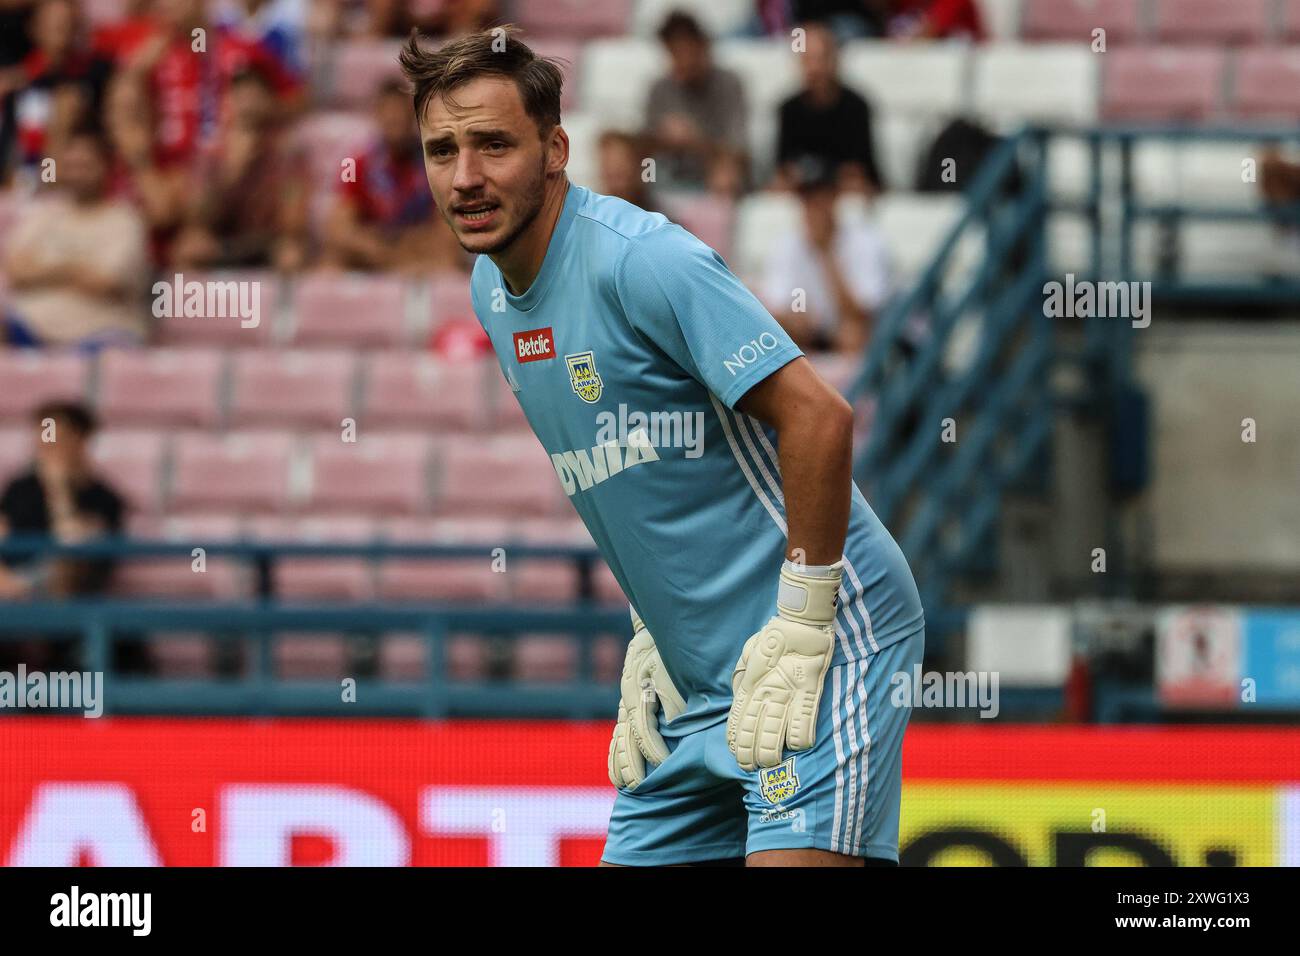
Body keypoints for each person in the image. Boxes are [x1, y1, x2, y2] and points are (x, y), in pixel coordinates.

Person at [401, 26, 924, 867]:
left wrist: (802, 620)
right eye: (441, 150)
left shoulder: (640, 261)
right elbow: (634, 477)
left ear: (556, 149)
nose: (465, 176)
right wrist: (654, 629)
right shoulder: (490, 290)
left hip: (818, 642)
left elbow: (821, 417)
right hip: (693, 677)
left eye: (494, 144)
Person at [4, 125, 150, 347]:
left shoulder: (125, 221)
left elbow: (105, 284)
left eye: (85, 166)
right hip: (31, 330)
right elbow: (15, 271)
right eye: (72, 166)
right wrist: (73, 271)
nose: (77, 174)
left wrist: (44, 270)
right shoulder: (45, 212)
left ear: (106, 168)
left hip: (98, 335)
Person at [172, 66, 308, 270]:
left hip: (266, 243)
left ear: (270, 102)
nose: (248, 103)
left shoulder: (287, 155)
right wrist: (232, 169)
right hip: (220, 243)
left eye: (255, 95)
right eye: (240, 95)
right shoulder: (210, 155)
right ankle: (190, 301)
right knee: (188, 246)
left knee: (291, 253)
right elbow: (197, 216)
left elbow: (293, 223)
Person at [321, 78, 462, 272]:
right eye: (388, 112)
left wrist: (409, 246)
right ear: (377, 115)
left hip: (419, 254)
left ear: (413, 117)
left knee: (447, 262)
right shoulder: (355, 163)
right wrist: (374, 248)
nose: (394, 119)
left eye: (400, 113)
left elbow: (448, 229)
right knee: (330, 265)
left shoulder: (436, 162)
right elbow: (338, 227)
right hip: (373, 253)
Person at [762, 157, 890, 354]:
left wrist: (826, 254)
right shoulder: (785, 244)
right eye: (808, 198)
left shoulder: (867, 241)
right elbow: (776, 307)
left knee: (851, 333)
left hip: (859, 335)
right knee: (781, 334)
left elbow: (860, 314)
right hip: (810, 336)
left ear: (835, 197)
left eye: (821, 196)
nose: (814, 205)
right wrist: (797, 317)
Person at [642, 11, 748, 197]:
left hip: (716, 174)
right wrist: (663, 141)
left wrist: (694, 141)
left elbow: (737, 150)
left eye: (685, 52)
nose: (680, 61)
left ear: (702, 47)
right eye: (673, 53)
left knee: (727, 173)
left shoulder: (729, 84)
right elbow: (645, 150)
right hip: (669, 176)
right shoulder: (659, 89)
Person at [774, 21, 883, 195]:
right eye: (807, 60)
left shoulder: (856, 107)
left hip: (846, 196)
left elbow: (861, 172)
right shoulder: (789, 109)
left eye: (820, 59)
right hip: (803, 196)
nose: (815, 69)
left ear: (834, 60)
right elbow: (783, 170)